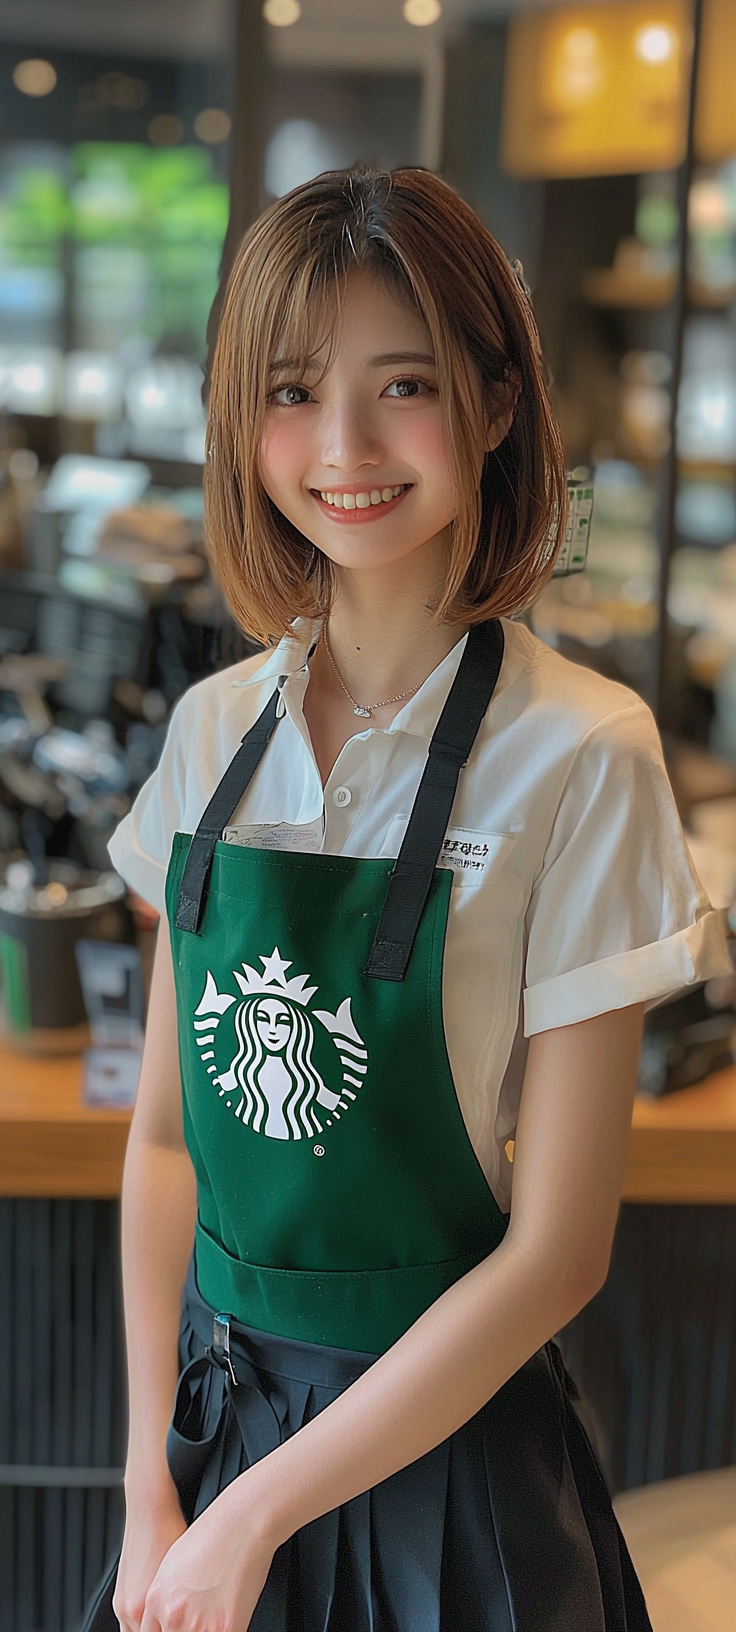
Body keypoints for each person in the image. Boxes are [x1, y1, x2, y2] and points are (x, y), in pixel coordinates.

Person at [97, 167, 729, 1632]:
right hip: (210, 1442)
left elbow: (559, 1253)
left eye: (404, 386)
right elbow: (163, 1149)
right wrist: (153, 1494)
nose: (344, 448)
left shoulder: (583, 753)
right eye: (294, 391)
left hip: (452, 1479)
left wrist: (257, 1516)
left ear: (498, 406)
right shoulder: (206, 734)